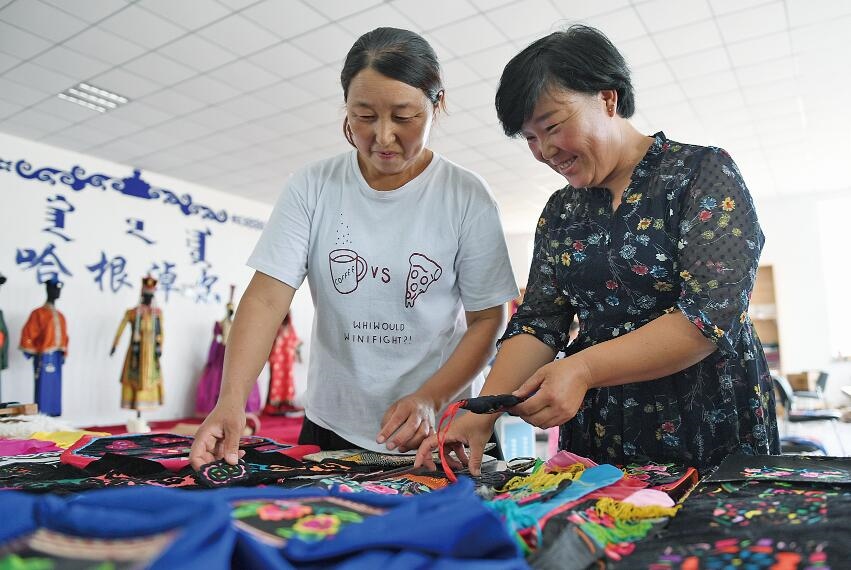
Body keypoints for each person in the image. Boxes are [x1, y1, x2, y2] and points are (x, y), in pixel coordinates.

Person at [416, 25, 780, 475]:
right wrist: (479, 414)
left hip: (706, 417)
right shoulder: (561, 211)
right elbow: (539, 323)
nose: (545, 151)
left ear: (607, 99)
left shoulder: (700, 174)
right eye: (530, 138)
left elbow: (707, 317)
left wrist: (583, 369)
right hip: (602, 428)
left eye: (551, 127)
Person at [190, 27, 518, 469]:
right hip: (333, 422)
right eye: (364, 116)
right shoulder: (313, 186)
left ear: (436, 104)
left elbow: (488, 319)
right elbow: (266, 299)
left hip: (442, 428)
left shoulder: (466, 196)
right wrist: (230, 400)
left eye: (403, 117)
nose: (383, 137)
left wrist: (431, 397)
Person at [110, 276, 164, 412]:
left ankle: (146, 405)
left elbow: (161, 332)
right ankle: (134, 404)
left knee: (152, 377)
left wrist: (160, 346)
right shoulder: (133, 313)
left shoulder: (157, 314)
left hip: (151, 352)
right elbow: (121, 328)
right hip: (136, 351)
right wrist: (115, 345)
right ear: (142, 295)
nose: (148, 299)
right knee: (134, 376)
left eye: (150, 296)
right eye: (146, 295)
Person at [19, 278, 68, 416]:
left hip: (57, 356)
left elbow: (65, 337)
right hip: (44, 356)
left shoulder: (61, 316)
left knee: (55, 387)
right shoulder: (38, 313)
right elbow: (29, 332)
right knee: (43, 388)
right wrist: (33, 351)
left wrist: (64, 352)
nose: (57, 292)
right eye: (54, 289)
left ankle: (54, 415)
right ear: (48, 290)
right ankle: (41, 416)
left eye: (59, 289)